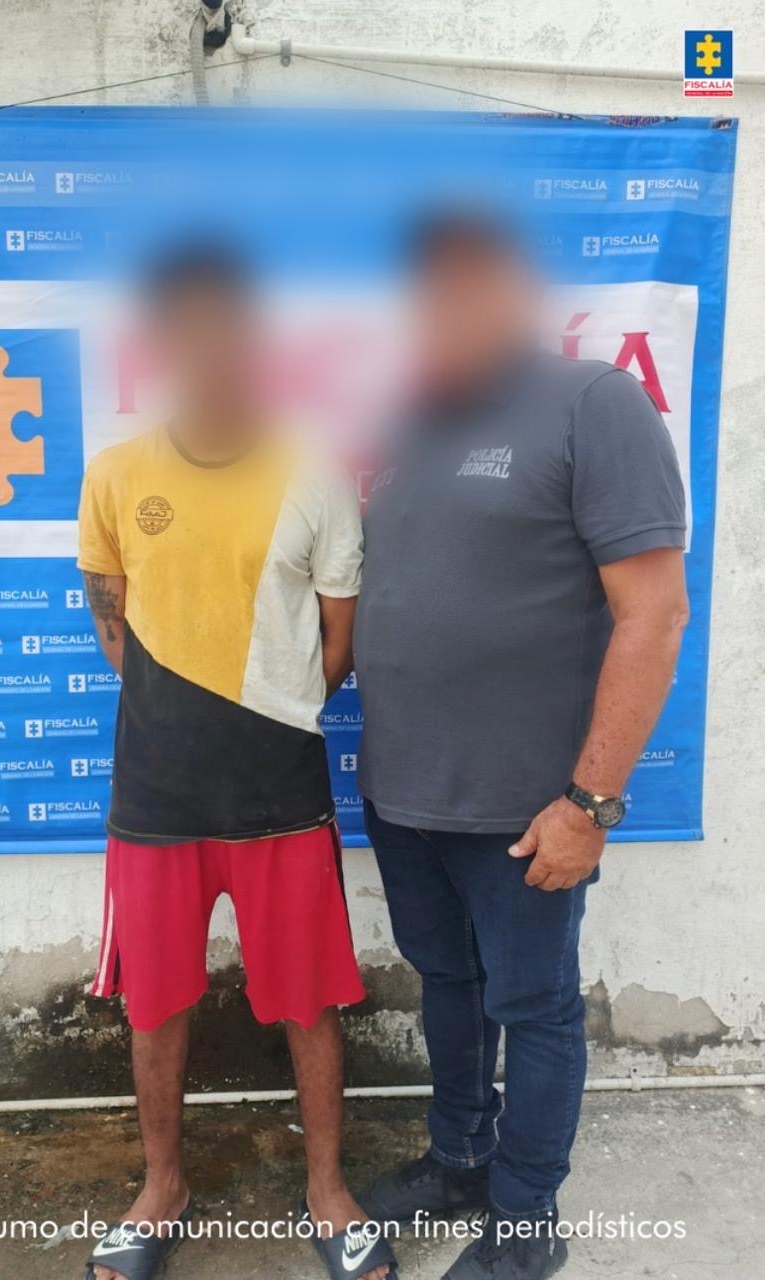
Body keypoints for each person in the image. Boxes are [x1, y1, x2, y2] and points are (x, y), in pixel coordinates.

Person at [354, 214, 689, 1280]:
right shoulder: (407, 426)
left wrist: (588, 805)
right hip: (403, 795)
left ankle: (524, 1216)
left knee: (532, 1007)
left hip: (525, 809)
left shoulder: (594, 404)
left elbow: (653, 615)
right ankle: (459, 1158)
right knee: (444, 980)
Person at [77, 244, 396, 1280]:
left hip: (279, 796)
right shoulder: (114, 474)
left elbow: (339, 641)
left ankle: (327, 1190)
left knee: (308, 1001)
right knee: (156, 1004)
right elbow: (113, 623)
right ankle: (160, 1187)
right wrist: (184, 713)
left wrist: (264, 712)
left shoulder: (314, 471)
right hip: (155, 799)